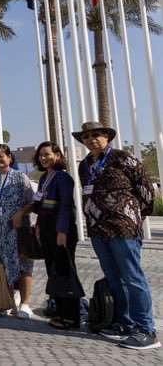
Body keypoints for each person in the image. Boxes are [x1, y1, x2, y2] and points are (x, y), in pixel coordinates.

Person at [73, 122, 159, 350]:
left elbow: (147, 191)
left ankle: (146, 330)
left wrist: (132, 216)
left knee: (133, 277)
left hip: (122, 228)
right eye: (86, 137)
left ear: (107, 137)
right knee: (113, 278)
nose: (91, 139)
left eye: (96, 134)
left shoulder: (123, 158)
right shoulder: (85, 165)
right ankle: (125, 323)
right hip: (97, 229)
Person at [0, 144, 35, 318]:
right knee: (2, 266)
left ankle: (25, 304)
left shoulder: (21, 177)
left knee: (23, 265)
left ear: (9, 158)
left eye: (1, 156)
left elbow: (32, 202)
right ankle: (8, 301)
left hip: (17, 231)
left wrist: (21, 213)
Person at [32, 141, 80, 330]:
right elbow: (40, 204)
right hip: (46, 228)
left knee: (64, 272)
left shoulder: (63, 177)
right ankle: (59, 312)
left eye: (47, 154)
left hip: (61, 230)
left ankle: (71, 317)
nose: (43, 158)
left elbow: (66, 206)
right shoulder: (45, 177)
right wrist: (38, 226)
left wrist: (62, 231)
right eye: (41, 155)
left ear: (57, 155)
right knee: (53, 272)